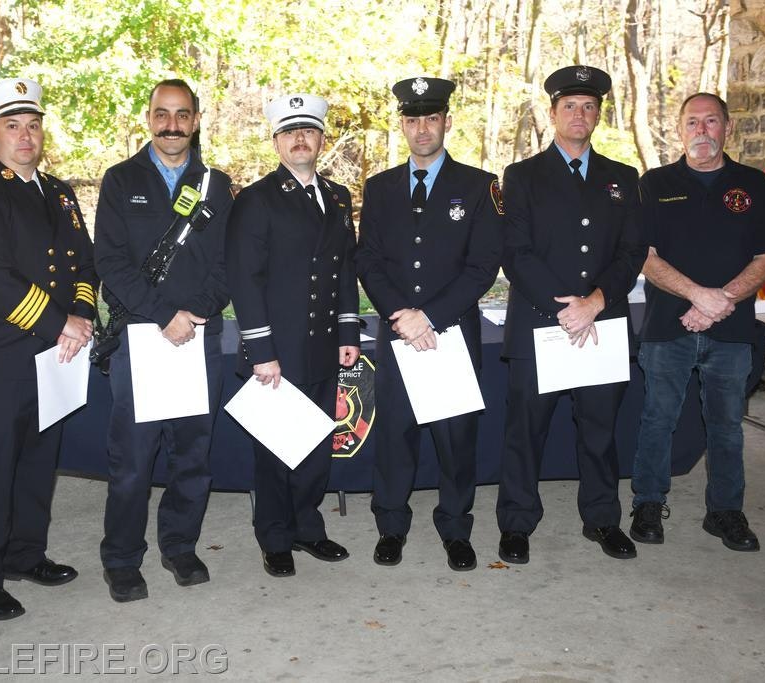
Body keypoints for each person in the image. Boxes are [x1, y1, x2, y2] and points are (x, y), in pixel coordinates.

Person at [0, 78, 97, 620]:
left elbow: (84, 259)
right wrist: (62, 323)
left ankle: (24, 554)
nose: (25, 136)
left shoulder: (59, 191)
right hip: (2, 354)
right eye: (12, 126)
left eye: (33, 125)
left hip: (54, 351)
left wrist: (80, 314)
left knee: (39, 460)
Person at [496, 65, 646, 563]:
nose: (579, 115)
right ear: (553, 113)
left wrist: (597, 302)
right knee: (525, 434)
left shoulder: (622, 179)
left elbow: (631, 250)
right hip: (544, 325)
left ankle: (602, 520)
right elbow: (515, 252)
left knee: (600, 432)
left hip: (601, 325)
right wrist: (566, 308)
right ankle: (517, 525)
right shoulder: (521, 177)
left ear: (599, 114)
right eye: (569, 107)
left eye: (589, 107)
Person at [356, 77, 504, 570]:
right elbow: (369, 261)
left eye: (432, 119)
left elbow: (484, 265)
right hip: (399, 336)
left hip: (451, 335)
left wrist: (430, 318)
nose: (422, 129)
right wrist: (404, 318)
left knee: (455, 438)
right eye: (413, 119)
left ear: (446, 122)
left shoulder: (480, 186)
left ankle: (456, 530)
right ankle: (391, 526)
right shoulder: (379, 189)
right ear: (402, 124)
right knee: (395, 435)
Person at [94, 79, 233, 602]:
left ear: (195, 120)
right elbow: (109, 263)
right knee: (132, 459)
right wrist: (163, 314)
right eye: (161, 113)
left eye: (181, 115)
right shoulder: (119, 179)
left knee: (192, 454)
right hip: (142, 339)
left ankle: (180, 545)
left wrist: (195, 312)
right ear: (148, 118)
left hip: (198, 336)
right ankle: (123, 559)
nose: (171, 124)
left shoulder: (217, 185)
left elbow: (227, 263)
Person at [629, 93, 765, 552]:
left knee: (726, 426)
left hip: (733, 330)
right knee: (658, 419)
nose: (702, 130)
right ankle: (647, 504)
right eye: (693, 122)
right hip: (668, 326)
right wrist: (699, 295)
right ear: (680, 130)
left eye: (711, 121)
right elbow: (644, 256)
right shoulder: (654, 184)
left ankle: (724, 513)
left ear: (727, 128)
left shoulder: (753, 184)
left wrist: (722, 301)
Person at [226, 93, 361, 577]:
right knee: (275, 449)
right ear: (277, 141)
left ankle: (308, 528)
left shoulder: (340, 196)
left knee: (314, 445)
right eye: (290, 132)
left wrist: (349, 329)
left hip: (324, 344)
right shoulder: (257, 199)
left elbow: (346, 268)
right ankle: (275, 536)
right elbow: (245, 279)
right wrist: (261, 350)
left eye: (308, 131)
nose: (300, 139)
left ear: (322, 139)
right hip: (277, 350)